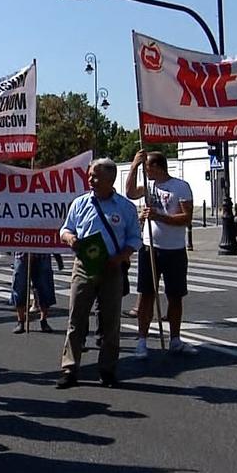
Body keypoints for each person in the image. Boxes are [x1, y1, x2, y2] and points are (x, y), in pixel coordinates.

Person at [58, 158, 142, 388]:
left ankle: (107, 370)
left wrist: (121, 256)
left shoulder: (125, 207)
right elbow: (65, 228)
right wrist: (70, 238)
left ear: (109, 179)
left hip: (112, 268)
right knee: (76, 318)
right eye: (89, 175)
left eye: (95, 176)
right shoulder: (80, 203)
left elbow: (135, 238)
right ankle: (69, 369)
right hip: (84, 266)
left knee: (110, 321)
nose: (90, 180)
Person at [125, 150, 197, 359]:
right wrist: (134, 166)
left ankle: (175, 338)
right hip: (150, 247)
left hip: (173, 248)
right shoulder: (148, 186)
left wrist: (160, 216)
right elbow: (130, 192)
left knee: (175, 295)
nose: (146, 172)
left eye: (147, 168)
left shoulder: (180, 187)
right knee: (146, 294)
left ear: (156, 167)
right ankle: (142, 340)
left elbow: (186, 217)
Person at [10, 252, 55, 334]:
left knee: (45, 285)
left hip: (42, 252)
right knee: (19, 285)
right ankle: (20, 321)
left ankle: (43, 320)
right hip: (22, 253)